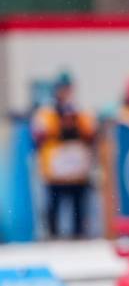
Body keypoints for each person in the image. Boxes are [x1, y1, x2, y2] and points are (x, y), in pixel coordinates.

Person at [31, 71, 97, 239]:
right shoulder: (47, 113)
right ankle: (52, 235)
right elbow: (38, 135)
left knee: (78, 207)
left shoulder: (81, 112)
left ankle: (79, 235)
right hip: (56, 170)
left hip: (77, 170)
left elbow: (91, 134)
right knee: (53, 206)